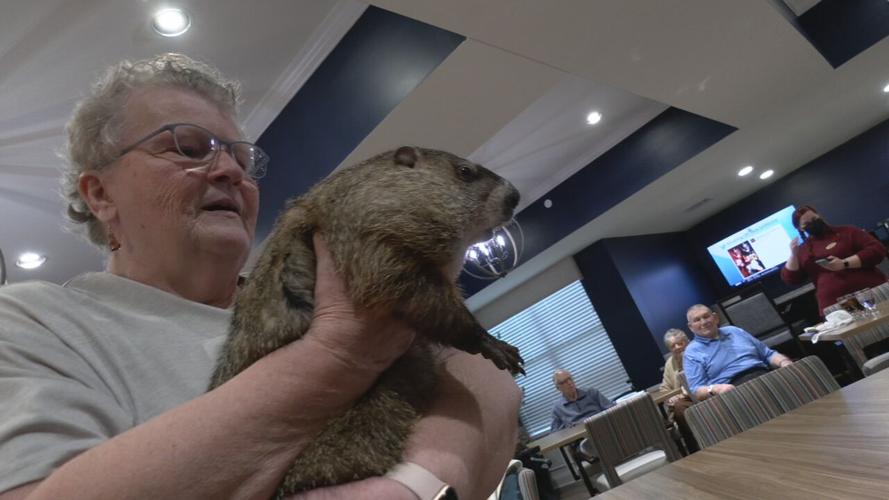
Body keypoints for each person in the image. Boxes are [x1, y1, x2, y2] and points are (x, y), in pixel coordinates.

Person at [0, 53, 520, 500]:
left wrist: (417, 484)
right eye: (187, 147)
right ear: (100, 194)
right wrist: (341, 355)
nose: (230, 171)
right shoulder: (32, 321)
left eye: (241, 158)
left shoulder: (314, 282)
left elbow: (490, 381)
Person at [782, 205, 888, 314]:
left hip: (870, 292)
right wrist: (793, 255)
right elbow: (791, 279)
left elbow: (877, 250)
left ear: (819, 216)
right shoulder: (803, 250)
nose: (813, 224)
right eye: (807, 224)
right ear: (800, 228)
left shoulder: (848, 231)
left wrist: (844, 263)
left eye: (814, 219)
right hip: (836, 305)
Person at [684, 304, 793, 401]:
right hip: (732, 389)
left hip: (764, 374)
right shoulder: (692, 352)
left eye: (706, 316)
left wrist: (784, 362)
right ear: (691, 327)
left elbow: (768, 354)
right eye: (697, 320)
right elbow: (697, 389)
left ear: (716, 318)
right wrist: (716, 389)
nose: (704, 322)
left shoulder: (734, 331)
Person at [550, 369, 614, 459]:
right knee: (588, 444)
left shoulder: (591, 392)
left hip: (602, 429)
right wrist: (569, 429)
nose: (569, 383)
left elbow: (611, 408)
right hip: (582, 439)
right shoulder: (558, 407)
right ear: (558, 388)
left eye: (570, 379)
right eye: (563, 382)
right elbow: (554, 432)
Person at [660, 328, 698, 452]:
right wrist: (670, 397)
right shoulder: (670, 363)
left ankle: (695, 449)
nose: (677, 347)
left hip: (700, 394)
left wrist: (682, 394)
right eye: (672, 346)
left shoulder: (697, 351)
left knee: (679, 408)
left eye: (680, 343)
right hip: (682, 401)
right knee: (677, 409)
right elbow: (664, 388)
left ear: (687, 342)